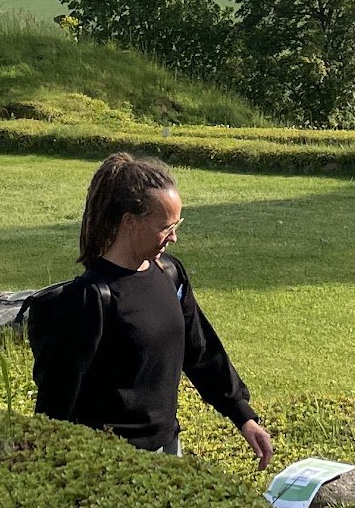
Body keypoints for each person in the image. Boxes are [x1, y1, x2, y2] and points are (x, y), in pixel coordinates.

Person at [30, 152, 273, 467]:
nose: (174, 236)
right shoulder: (91, 298)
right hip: (111, 462)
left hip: (169, 448)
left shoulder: (170, 273)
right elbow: (56, 403)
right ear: (130, 222)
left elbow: (201, 351)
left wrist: (243, 417)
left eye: (177, 224)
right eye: (165, 227)